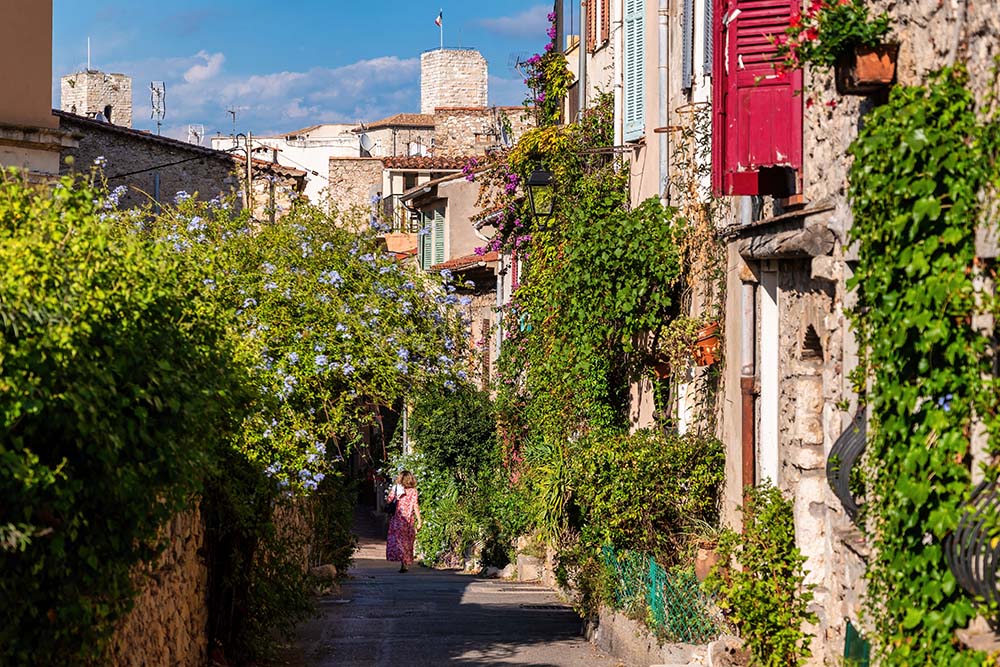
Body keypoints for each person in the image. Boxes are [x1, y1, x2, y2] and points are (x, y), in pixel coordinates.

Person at [385, 470, 422, 572]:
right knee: (407, 541)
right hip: (409, 520)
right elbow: (415, 506)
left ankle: (402, 559)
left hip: (397, 519)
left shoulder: (396, 488)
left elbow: (388, 500)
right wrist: (419, 521)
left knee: (398, 540)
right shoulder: (413, 491)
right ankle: (405, 562)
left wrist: (395, 495)